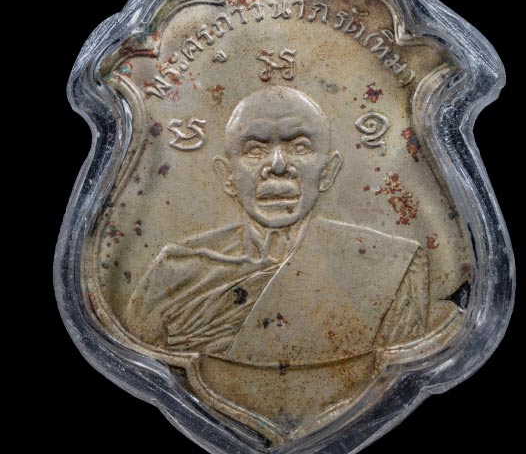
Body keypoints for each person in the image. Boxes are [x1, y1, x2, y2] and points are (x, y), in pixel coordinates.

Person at [124, 86, 429, 368]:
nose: (278, 166)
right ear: (227, 175)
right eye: (255, 151)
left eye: (299, 147)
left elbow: (396, 368)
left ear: (327, 171)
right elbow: (141, 359)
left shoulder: (387, 266)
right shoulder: (177, 271)